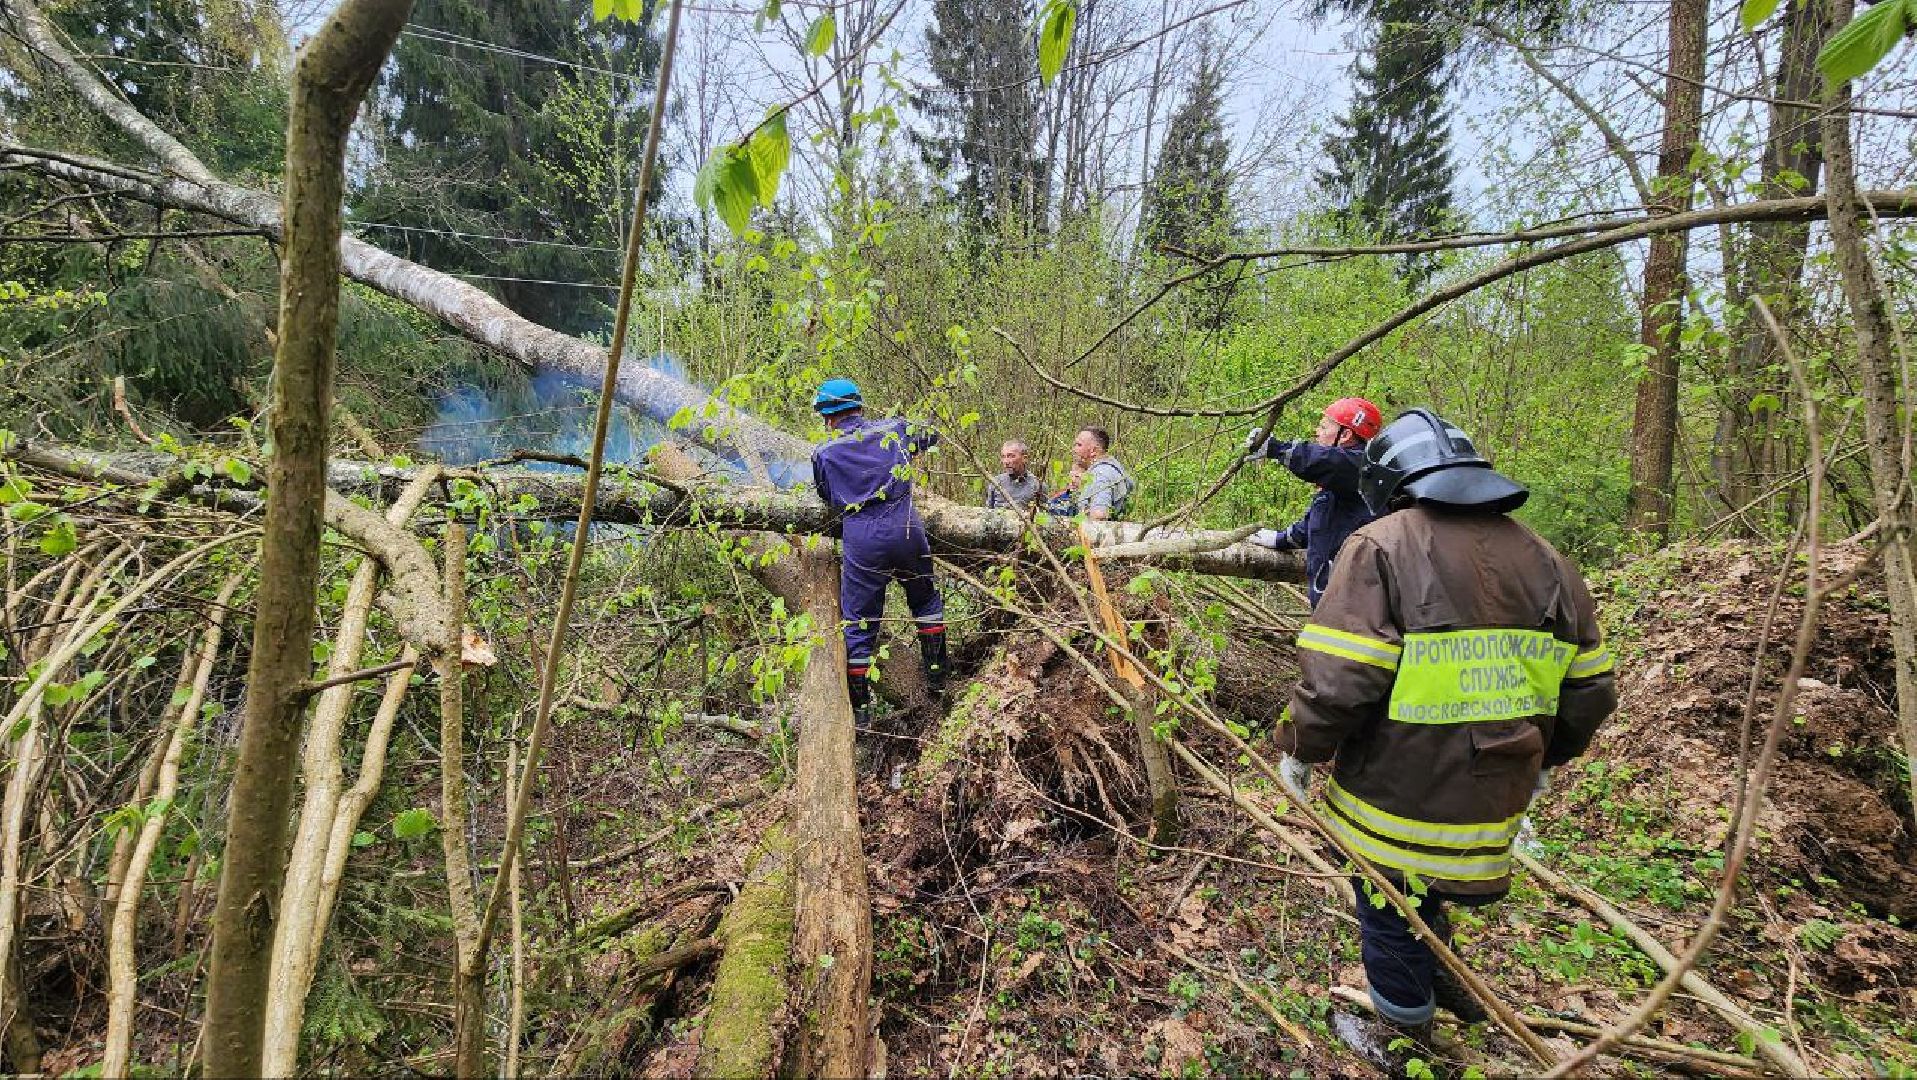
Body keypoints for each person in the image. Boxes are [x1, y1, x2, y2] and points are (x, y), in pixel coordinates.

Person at [1272, 409, 1617, 1076]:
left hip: (1395, 788)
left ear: (1389, 479)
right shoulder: (1546, 558)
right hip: (1498, 788)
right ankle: (1439, 973)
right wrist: (1545, 756)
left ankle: (1402, 1037)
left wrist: (1299, 746)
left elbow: (1341, 681)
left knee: (1386, 900)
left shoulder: (1379, 546)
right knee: (1422, 886)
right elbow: (1592, 690)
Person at [809, 378, 948, 719]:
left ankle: (862, 713)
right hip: (905, 527)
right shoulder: (895, 429)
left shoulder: (824, 454)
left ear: (828, 418)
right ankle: (937, 676)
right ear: (859, 404)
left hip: (862, 537)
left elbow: (827, 497)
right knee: (925, 598)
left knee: (858, 621)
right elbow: (932, 435)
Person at [1244, 397, 1383, 608]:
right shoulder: (1342, 483)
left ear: (1345, 435)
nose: (1317, 431)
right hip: (1335, 600)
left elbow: (1323, 461)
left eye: (1323, 426)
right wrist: (1280, 539)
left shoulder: (1362, 468)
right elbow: (1321, 522)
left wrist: (1277, 449)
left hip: (1354, 604)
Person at [1067, 427, 1134, 520]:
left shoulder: (1101, 474)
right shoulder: (1110, 469)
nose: (1073, 449)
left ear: (1093, 451)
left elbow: (1099, 515)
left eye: (1078, 445)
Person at [985, 439, 1043, 510]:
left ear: (1024, 458)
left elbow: (1043, 517)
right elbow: (988, 513)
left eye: (1011, 456)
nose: (1006, 461)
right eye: (1003, 457)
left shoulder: (1036, 485)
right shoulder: (995, 482)